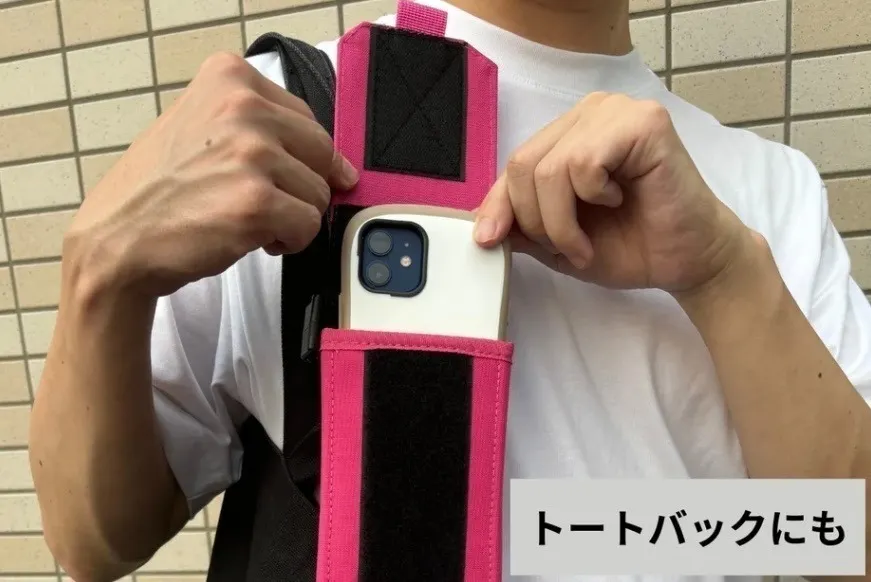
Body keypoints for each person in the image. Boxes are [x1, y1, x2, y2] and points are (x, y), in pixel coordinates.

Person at [28, 0, 871, 580]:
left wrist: (721, 273)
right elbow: (94, 543)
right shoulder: (277, 124)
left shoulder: (771, 189)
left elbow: (844, 542)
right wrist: (99, 271)